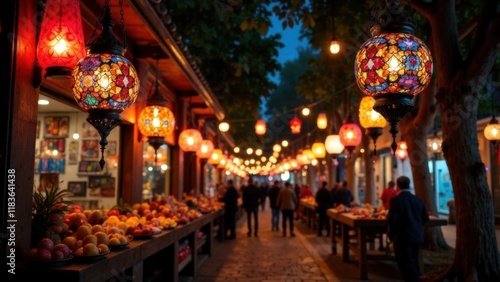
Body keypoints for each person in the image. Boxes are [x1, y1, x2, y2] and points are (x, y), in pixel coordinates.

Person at [387, 176, 429, 282]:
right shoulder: (418, 200)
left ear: (398, 186)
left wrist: (391, 235)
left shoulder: (395, 201)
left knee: (405, 264)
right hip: (417, 236)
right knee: (413, 261)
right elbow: (425, 218)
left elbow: (392, 220)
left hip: (402, 238)